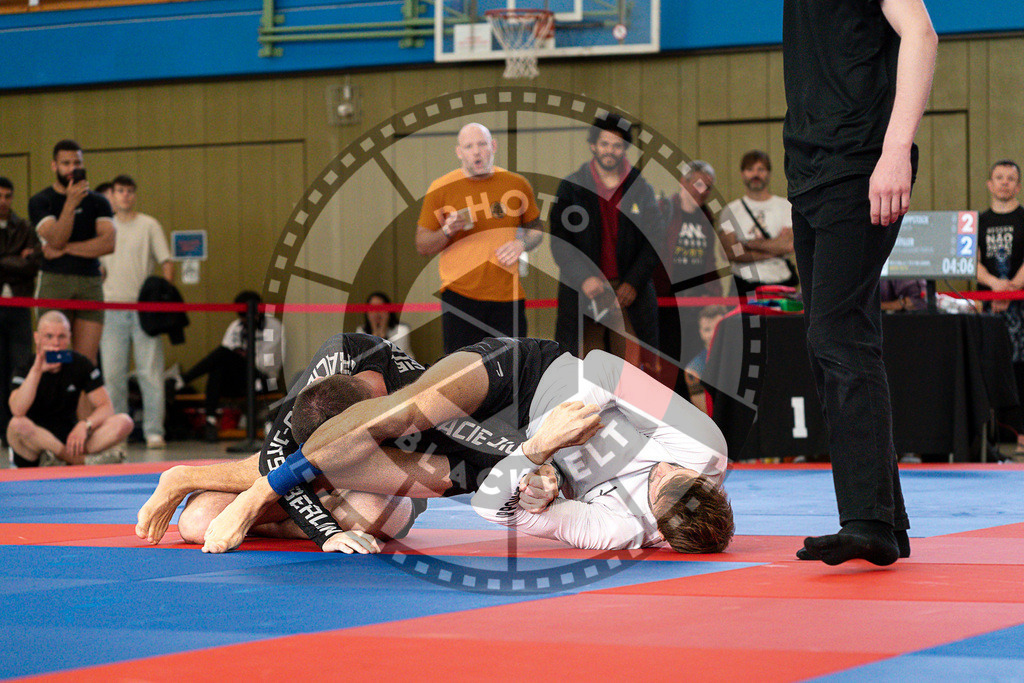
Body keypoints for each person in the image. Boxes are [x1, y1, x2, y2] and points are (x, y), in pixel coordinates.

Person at [200, 339, 732, 557]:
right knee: (404, 412)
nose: (660, 471)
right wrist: (561, 423)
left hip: (515, 449)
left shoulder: (619, 529)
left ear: (658, 528)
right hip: (529, 376)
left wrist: (538, 451)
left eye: (657, 485)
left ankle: (205, 485)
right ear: (710, 483)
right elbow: (605, 369)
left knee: (366, 476)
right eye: (675, 472)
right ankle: (262, 490)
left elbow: (497, 509)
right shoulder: (704, 448)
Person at [783, 0, 937, 565]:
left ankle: (868, 520)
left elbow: (921, 34)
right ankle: (886, 520)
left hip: (863, 161)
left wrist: (895, 150)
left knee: (837, 334)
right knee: (834, 340)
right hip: (809, 170)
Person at [137, 331, 428, 551]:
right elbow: (275, 454)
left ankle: (276, 524)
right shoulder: (339, 357)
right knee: (197, 522)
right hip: (310, 482)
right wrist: (325, 528)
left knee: (380, 514)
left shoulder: (421, 403)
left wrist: (323, 531)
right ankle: (185, 477)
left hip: (368, 486)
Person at [415, 123, 544, 353]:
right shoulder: (441, 188)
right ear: (459, 152)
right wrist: (447, 231)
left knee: (512, 368)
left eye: (482, 144)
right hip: (460, 296)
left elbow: (537, 230)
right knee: (461, 369)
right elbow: (422, 245)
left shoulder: (516, 184)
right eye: (469, 146)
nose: (476, 152)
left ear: (493, 146)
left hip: (508, 297)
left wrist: (521, 243)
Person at [550, 114, 663, 369]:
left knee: (632, 370)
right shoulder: (571, 187)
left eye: (617, 145)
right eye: (604, 144)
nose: (610, 150)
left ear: (625, 148)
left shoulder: (641, 189)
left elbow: (655, 239)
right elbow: (559, 240)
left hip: (628, 292)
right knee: (584, 368)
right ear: (593, 145)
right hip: (584, 289)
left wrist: (633, 282)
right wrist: (584, 278)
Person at [99, 175, 174, 449]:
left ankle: (154, 431)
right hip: (111, 307)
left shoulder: (149, 225)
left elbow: (166, 261)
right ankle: (118, 433)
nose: (125, 195)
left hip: (144, 310)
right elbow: (97, 266)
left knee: (150, 373)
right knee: (112, 375)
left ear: (135, 194)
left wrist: (164, 295)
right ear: (112, 193)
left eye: (130, 191)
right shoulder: (104, 226)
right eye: (120, 191)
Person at [8, 311, 133, 466]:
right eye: (49, 336)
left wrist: (85, 424)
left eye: (61, 336)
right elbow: (17, 410)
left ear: (69, 338)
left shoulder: (79, 363)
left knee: (124, 421)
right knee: (16, 424)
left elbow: (106, 407)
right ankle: (77, 461)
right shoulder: (26, 365)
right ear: (37, 338)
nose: (55, 343)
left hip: (70, 439)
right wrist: (37, 370)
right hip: (35, 445)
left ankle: (63, 459)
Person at [29, 139, 115, 364]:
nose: (72, 169)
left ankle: (84, 389)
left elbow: (108, 244)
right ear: (54, 166)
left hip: (90, 280)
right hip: (55, 280)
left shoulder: (98, 201)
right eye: (65, 163)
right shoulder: (41, 201)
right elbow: (57, 239)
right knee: (54, 358)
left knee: (86, 362)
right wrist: (70, 203)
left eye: (77, 163)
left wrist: (66, 249)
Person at [179, 290, 285, 441]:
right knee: (218, 367)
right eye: (241, 316)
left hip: (263, 381)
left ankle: (183, 380)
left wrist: (242, 355)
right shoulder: (236, 326)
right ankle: (210, 420)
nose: (244, 320)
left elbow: (267, 364)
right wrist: (237, 355)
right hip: (238, 381)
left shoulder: (273, 327)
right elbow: (225, 354)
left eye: (247, 315)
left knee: (224, 355)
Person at [655, 161, 724, 394]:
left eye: (708, 187)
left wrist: (715, 295)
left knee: (694, 360)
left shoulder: (706, 217)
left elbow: (709, 260)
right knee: (668, 358)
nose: (703, 191)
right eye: (698, 184)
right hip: (667, 300)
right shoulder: (665, 209)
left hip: (696, 301)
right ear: (683, 182)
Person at [975, 160, 1024, 455]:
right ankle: (989, 436)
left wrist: (1011, 287)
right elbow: (971, 261)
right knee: (990, 367)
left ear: (1017, 186)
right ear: (990, 184)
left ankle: (1021, 436)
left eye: (1011, 178)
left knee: (1021, 368)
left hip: (1020, 309)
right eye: (999, 177)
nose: (1005, 182)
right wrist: (995, 285)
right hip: (989, 308)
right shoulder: (978, 221)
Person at [718, 151, 797, 295]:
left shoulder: (786, 206)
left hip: (781, 282)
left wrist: (748, 244)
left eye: (761, 169)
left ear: (769, 173)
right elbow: (730, 252)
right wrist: (774, 249)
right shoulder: (731, 210)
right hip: (744, 284)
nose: (756, 174)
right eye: (750, 169)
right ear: (742, 174)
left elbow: (789, 245)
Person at [0, 176, 42, 443]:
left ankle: (17, 429)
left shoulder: (24, 226)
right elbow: (22, 264)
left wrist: (5, 261)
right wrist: (16, 259)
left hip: (19, 306)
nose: (3, 202)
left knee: (20, 366)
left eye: (7, 196)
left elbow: (33, 264)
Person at [682, 305, 728, 415]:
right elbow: (707, 413)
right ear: (700, 332)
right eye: (707, 329)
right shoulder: (693, 371)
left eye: (718, 328)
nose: (713, 334)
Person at [355, 291, 415, 360]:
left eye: (380, 308)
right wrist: (375, 332)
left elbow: (396, 358)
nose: (376, 313)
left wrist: (382, 331)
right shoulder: (361, 331)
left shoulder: (402, 330)